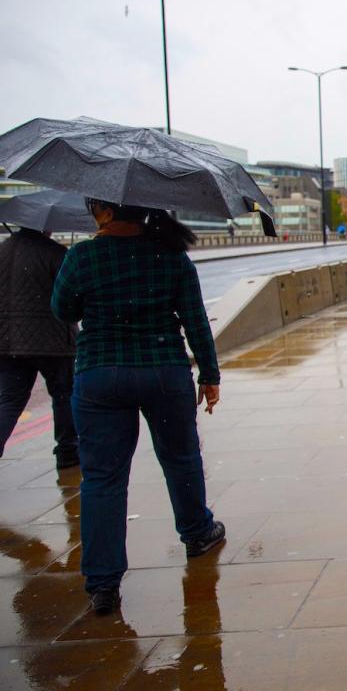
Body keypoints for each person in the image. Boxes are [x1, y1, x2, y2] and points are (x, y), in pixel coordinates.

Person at [51, 199, 226, 615]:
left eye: (93, 205)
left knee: (102, 478)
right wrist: (210, 375)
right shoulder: (170, 254)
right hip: (163, 370)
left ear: (108, 212)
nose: (91, 211)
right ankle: (197, 531)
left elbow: (62, 310)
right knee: (181, 458)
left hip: (100, 377)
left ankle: (103, 583)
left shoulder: (82, 255)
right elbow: (194, 319)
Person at [0, 227, 79, 468]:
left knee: (9, 400)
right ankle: (67, 451)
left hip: (8, 340)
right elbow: (72, 297)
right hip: (53, 340)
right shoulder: (55, 253)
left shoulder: (2, 251)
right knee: (64, 395)